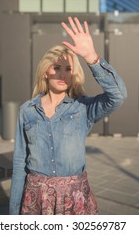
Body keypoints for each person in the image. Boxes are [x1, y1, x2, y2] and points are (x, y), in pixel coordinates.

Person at [9, 16, 127, 215]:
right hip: (37, 201)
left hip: (75, 200)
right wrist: (13, 213)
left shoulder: (83, 107)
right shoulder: (27, 110)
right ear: (46, 71)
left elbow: (118, 96)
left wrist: (92, 58)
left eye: (68, 69)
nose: (63, 74)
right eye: (57, 67)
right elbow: (20, 162)